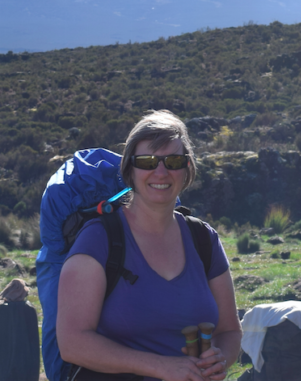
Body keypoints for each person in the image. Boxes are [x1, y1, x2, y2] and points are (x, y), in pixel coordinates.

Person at [57, 110, 242, 381]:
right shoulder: (99, 239)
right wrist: (160, 366)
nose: (161, 171)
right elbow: (72, 344)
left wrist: (221, 358)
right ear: (130, 169)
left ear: (187, 168)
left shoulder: (204, 239)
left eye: (174, 160)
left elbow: (230, 331)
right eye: (147, 161)